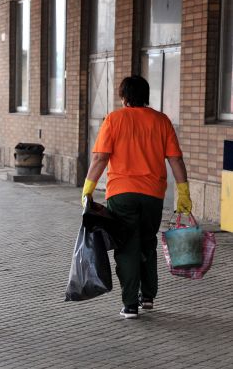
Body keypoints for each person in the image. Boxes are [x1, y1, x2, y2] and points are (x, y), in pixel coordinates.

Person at [82, 75, 192, 319]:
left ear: (124, 97)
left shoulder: (114, 119)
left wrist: (88, 188)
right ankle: (149, 296)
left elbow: (100, 158)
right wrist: (183, 191)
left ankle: (130, 304)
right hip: (153, 195)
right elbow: (175, 159)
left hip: (121, 194)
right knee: (147, 241)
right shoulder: (161, 121)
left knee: (126, 246)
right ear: (146, 95)